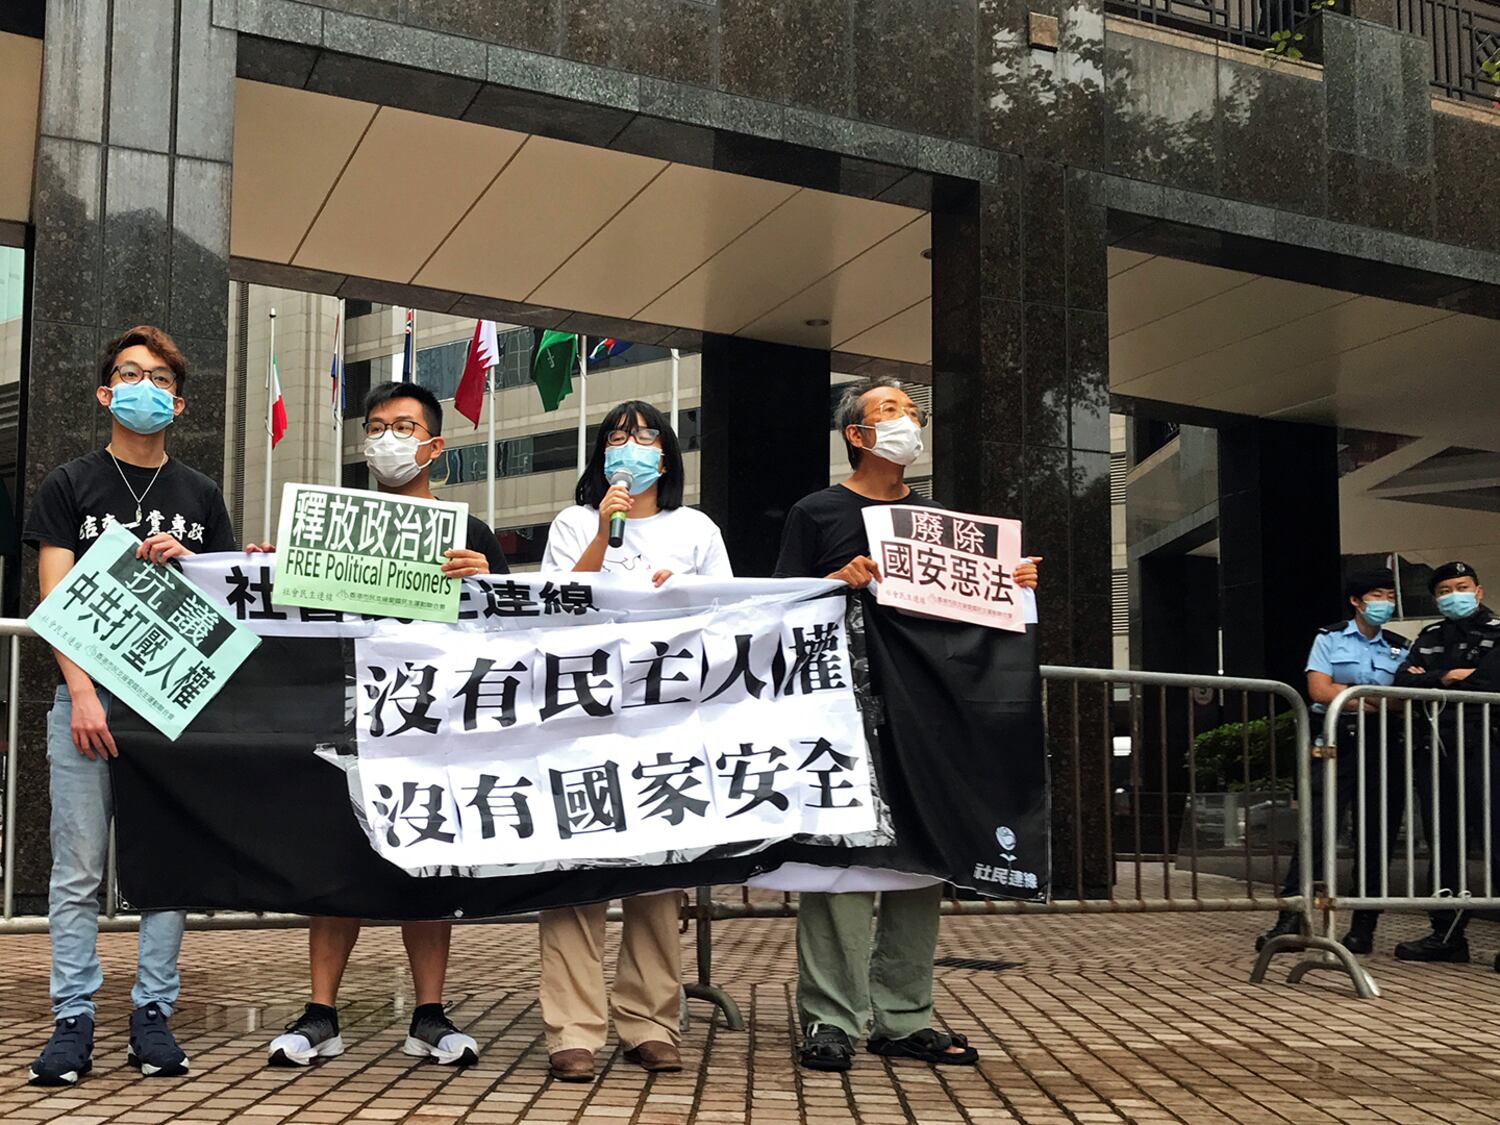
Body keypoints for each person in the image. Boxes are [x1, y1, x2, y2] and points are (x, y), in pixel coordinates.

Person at [773, 376, 1038, 1073]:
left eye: (913, 412)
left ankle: (903, 1014)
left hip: (926, 711)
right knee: (843, 864)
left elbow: (970, 620)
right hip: (845, 708)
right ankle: (831, 1017)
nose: (907, 423)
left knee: (923, 855)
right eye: (890, 412)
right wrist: (838, 580)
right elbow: (780, 605)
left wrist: (1013, 586)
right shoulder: (816, 511)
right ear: (856, 435)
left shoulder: (940, 521)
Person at [260, 382, 508, 1067]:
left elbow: (514, 633)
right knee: (335, 864)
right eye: (376, 426)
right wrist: (264, 569)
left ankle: (428, 1013)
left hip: (432, 726)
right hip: (347, 719)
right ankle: (321, 1012)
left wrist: (485, 579)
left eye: (404, 426)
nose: (388, 438)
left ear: (434, 444)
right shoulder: (329, 525)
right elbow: (288, 614)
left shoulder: (471, 534)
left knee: (425, 863)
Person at [23, 327, 238, 1085]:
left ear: (177, 403)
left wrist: (195, 566)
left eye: (158, 378)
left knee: (165, 864)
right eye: (127, 373)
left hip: (167, 706)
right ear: (105, 392)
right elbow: (53, 597)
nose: (142, 386)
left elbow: (223, 607)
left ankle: (153, 1012)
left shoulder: (200, 494)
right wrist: (81, 692)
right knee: (77, 868)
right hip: (84, 702)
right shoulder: (69, 484)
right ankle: (72, 1017)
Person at [537, 399, 730, 1083]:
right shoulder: (572, 521)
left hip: (664, 727)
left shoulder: (697, 528)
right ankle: (573, 1027)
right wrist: (602, 529)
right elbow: (555, 603)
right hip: (583, 723)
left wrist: (679, 594)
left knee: (656, 879)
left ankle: (651, 1020)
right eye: (620, 436)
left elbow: (728, 617)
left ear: (669, 456)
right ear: (602, 454)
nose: (633, 446)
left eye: (647, 436)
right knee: (575, 878)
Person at [1255, 569, 1408, 955]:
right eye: (1377, 595)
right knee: (1316, 832)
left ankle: (1363, 926)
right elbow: (1319, 690)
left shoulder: (1400, 646)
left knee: (1376, 838)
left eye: (1390, 596)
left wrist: (1350, 695)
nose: (1385, 603)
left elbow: (1405, 702)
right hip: (1334, 743)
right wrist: (1375, 698)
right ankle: (1291, 919)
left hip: (1383, 747)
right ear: (1356, 601)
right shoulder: (1330, 638)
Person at [1390, 561, 1500, 964]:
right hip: (1437, 748)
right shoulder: (1431, 634)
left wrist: (1436, 677)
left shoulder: (1497, 631)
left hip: (1488, 746)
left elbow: (1491, 681)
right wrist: (1447, 677)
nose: (1454, 594)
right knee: (1445, 842)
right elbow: (1403, 681)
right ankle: (1447, 934)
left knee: (1497, 839)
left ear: (1479, 590)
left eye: (1462, 586)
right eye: (1445, 590)